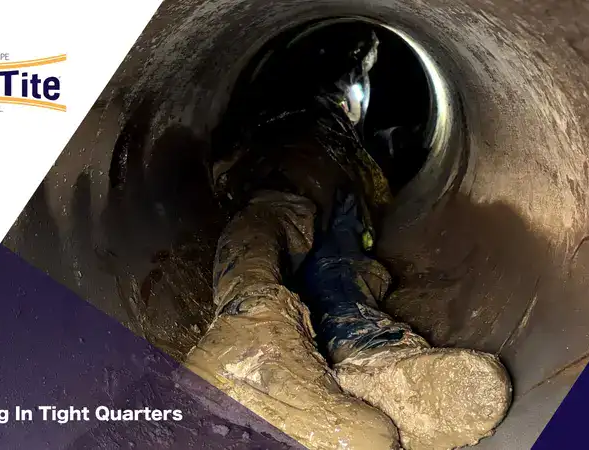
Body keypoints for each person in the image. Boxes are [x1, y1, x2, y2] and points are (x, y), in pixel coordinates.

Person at [185, 30, 511, 450]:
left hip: (341, 178)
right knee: (285, 200)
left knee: (341, 257)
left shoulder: (351, 128)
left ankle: (363, 356)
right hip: (297, 140)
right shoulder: (310, 93)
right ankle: (249, 333)